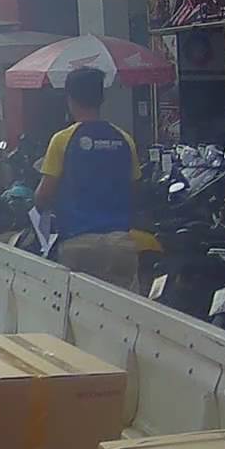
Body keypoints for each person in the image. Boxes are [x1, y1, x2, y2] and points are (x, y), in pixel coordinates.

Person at [35, 67, 140, 291]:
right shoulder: (124, 139)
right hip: (120, 245)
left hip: (78, 245)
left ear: (70, 99)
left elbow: (43, 195)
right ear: (102, 99)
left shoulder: (62, 140)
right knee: (125, 310)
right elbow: (134, 191)